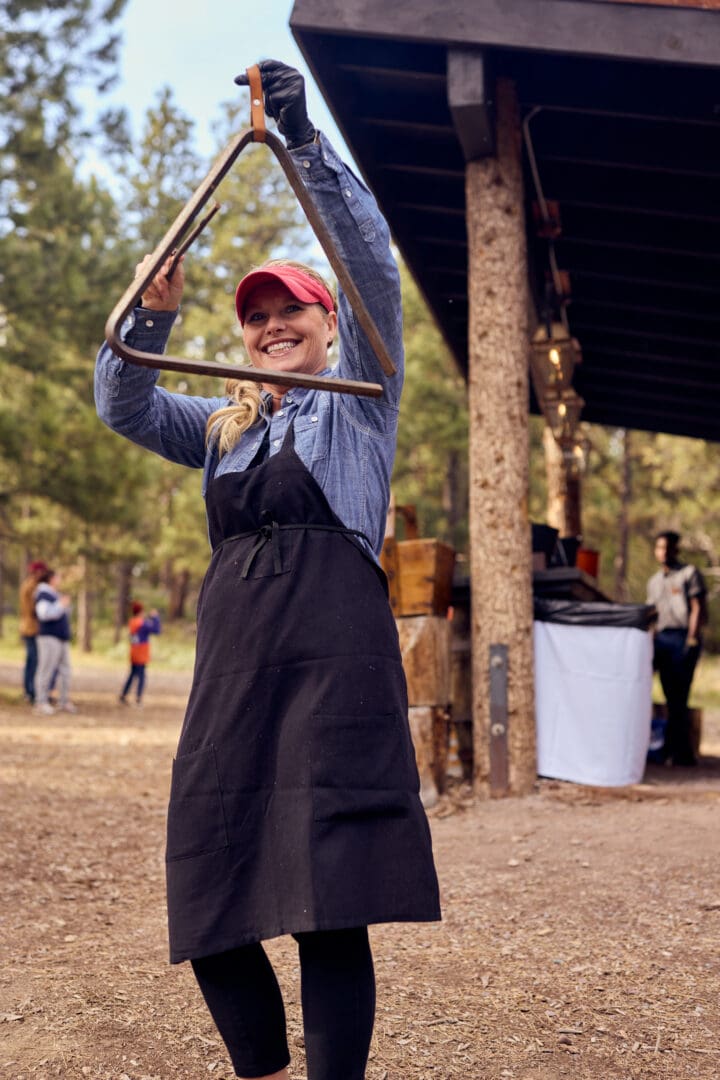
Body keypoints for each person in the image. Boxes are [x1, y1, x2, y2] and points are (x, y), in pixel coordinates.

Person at [95, 59, 440, 1080]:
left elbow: (371, 262)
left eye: (293, 309)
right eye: (256, 315)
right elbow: (122, 401)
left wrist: (299, 139)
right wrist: (150, 314)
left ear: (330, 323)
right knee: (208, 885)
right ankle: (263, 1068)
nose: (273, 325)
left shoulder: (360, 402)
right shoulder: (222, 426)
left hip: (334, 671)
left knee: (329, 899)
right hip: (236, 674)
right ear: (240, 337)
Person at [647, 530, 707, 766]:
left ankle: (681, 753)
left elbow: (697, 607)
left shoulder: (689, 574)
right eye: (659, 548)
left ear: (675, 549)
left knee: (679, 696)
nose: (663, 552)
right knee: (668, 694)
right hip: (662, 640)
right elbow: (651, 616)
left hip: (682, 637)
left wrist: (691, 639)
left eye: (667, 548)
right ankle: (672, 749)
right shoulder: (654, 582)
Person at [33, 568, 75, 716]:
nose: (59, 580)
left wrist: (64, 606)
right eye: (57, 577)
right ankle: (40, 702)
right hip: (49, 637)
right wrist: (60, 605)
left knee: (65, 670)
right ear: (51, 578)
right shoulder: (42, 594)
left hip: (61, 638)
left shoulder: (54, 594)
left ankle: (63, 701)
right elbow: (44, 614)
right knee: (46, 669)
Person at [119, 601, 161, 706]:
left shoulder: (132, 622)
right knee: (141, 677)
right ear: (140, 612)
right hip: (141, 654)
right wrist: (155, 617)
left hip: (134, 653)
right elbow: (156, 630)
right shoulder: (142, 623)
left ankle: (123, 694)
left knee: (132, 674)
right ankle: (138, 698)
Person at [19, 559, 48, 703]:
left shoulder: (31, 585)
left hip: (29, 627)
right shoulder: (31, 587)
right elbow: (32, 609)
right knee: (33, 661)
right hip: (31, 628)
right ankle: (30, 691)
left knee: (33, 660)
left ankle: (31, 691)